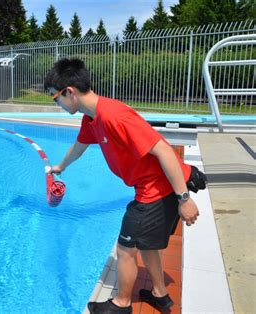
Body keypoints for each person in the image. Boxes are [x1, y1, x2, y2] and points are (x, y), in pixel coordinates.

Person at [44, 58, 206, 313]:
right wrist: (61, 167)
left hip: (156, 189)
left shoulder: (113, 115)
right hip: (150, 187)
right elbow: (79, 146)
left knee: (125, 247)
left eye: (56, 99)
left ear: (69, 92)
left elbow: (163, 150)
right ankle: (160, 295)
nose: (58, 105)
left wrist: (184, 199)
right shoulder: (91, 118)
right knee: (147, 243)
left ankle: (122, 304)